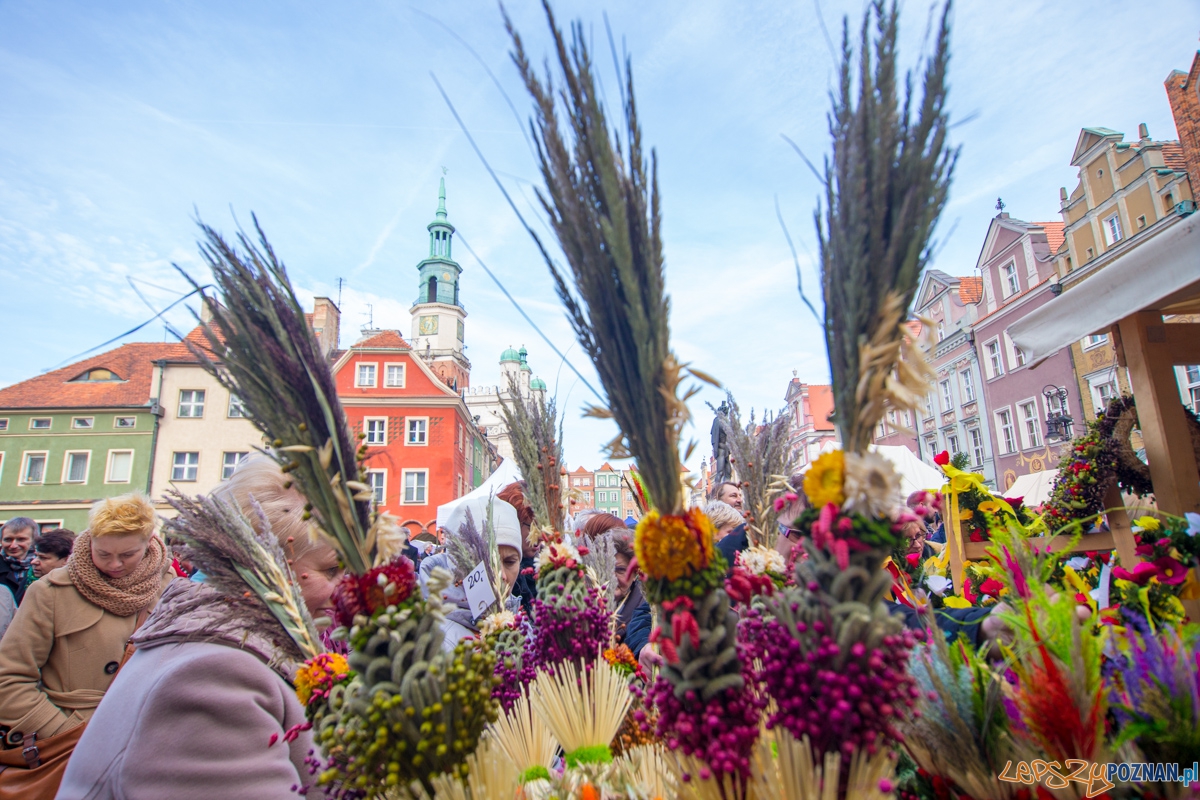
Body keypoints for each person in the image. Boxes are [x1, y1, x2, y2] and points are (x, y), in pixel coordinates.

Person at [58, 457, 342, 799]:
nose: (346, 588)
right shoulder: (216, 676)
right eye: (331, 571)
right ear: (272, 566)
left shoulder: (230, 649)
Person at [0, 494, 174, 794]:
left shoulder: (172, 590)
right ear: (88, 540)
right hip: (69, 749)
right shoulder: (51, 591)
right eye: (103, 553)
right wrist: (66, 733)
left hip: (147, 749)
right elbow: (10, 678)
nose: (115, 564)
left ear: (149, 542)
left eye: (128, 554)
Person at [418, 495, 523, 652]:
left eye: (510, 562)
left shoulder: (521, 626)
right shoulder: (438, 642)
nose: (501, 576)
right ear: (458, 566)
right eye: (487, 564)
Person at [0, 517, 37, 603]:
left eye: (21, 539)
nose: (13, 545)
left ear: (33, 541)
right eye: (8, 539)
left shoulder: (42, 567)